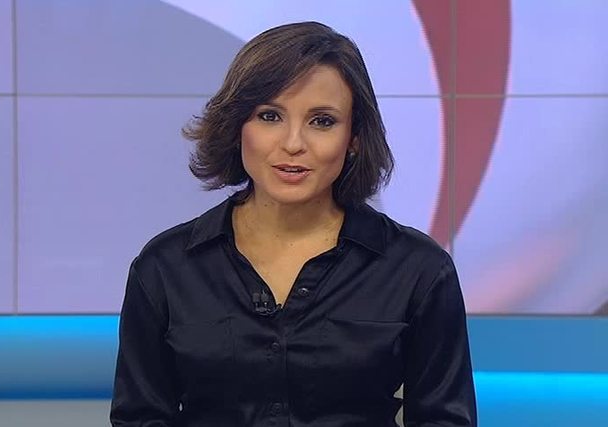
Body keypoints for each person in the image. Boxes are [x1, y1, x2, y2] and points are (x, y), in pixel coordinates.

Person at [110, 21, 477, 426]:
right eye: (270, 116)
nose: (293, 144)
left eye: (322, 121)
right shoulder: (165, 267)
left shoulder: (417, 269)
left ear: (354, 137)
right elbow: (140, 418)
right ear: (237, 127)